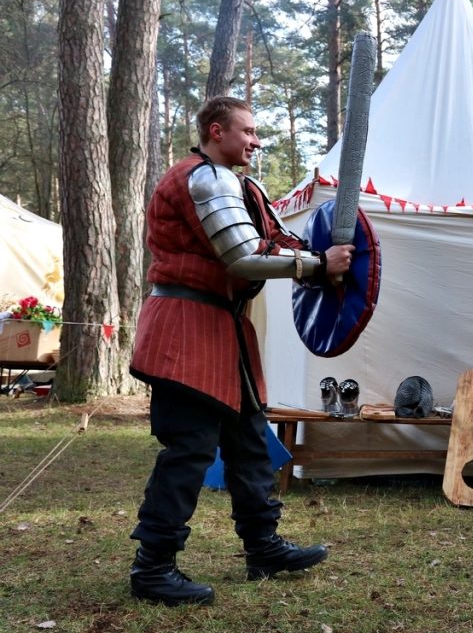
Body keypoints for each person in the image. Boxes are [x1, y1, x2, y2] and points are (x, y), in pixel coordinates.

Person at [128, 96, 355, 606]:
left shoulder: (243, 186)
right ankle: (153, 567)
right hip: (185, 327)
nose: (256, 140)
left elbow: (277, 244)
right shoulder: (202, 179)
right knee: (189, 450)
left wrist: (328, 259)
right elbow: (244, 259)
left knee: (251, 444)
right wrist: (318, 266)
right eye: (248, 131)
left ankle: (263, 547)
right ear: (217, 131)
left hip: (226, 328)